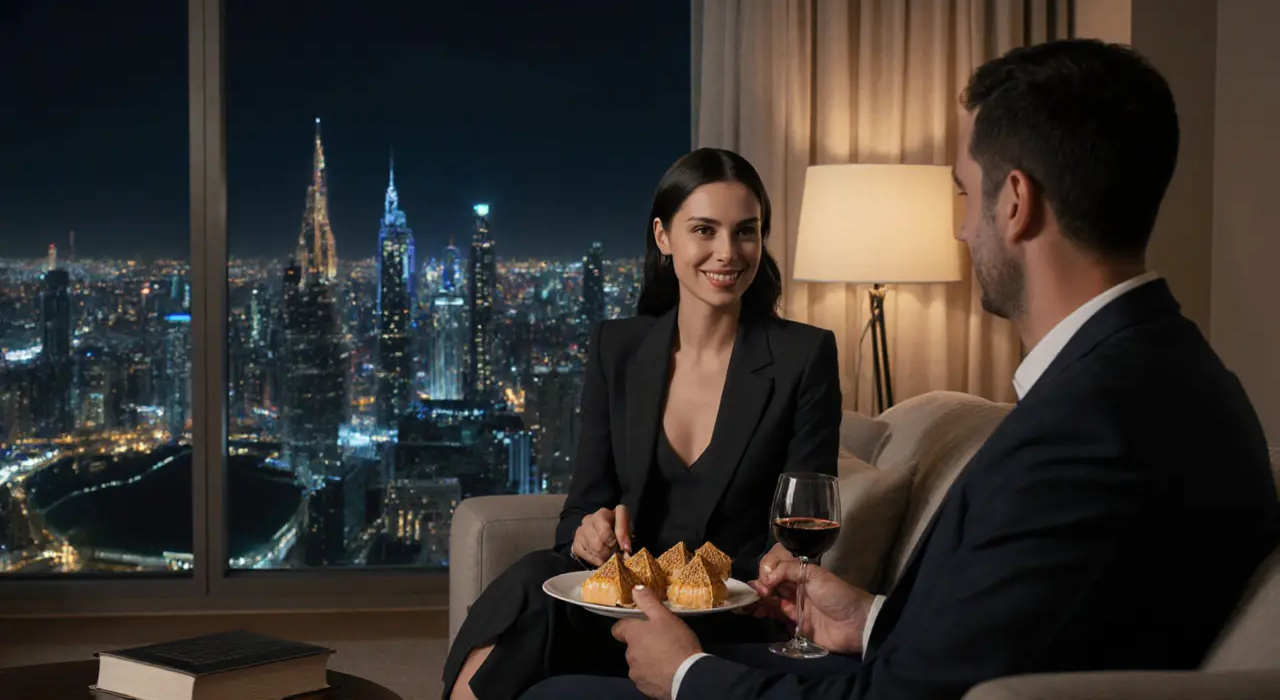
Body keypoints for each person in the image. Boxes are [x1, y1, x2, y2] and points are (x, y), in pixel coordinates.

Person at [520, 39, 1280, 700]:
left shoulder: (1089, 428)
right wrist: (872, 616)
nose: (957, 223)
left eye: (962, 191)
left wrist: (688, 677)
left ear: (1014, 202)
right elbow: (1021, 626)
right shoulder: (1168, 379)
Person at [442, 147, 843, 700]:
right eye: (704, 229)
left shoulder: (805, 356)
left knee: (532, 616)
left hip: (732, 618)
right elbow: (581, 513)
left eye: (745, 232)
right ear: (664, 237)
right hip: (621, 612)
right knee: (537, 577)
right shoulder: (619, 349)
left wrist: (783, 562)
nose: (727, 252)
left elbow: (808, 511)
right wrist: (589, 534)